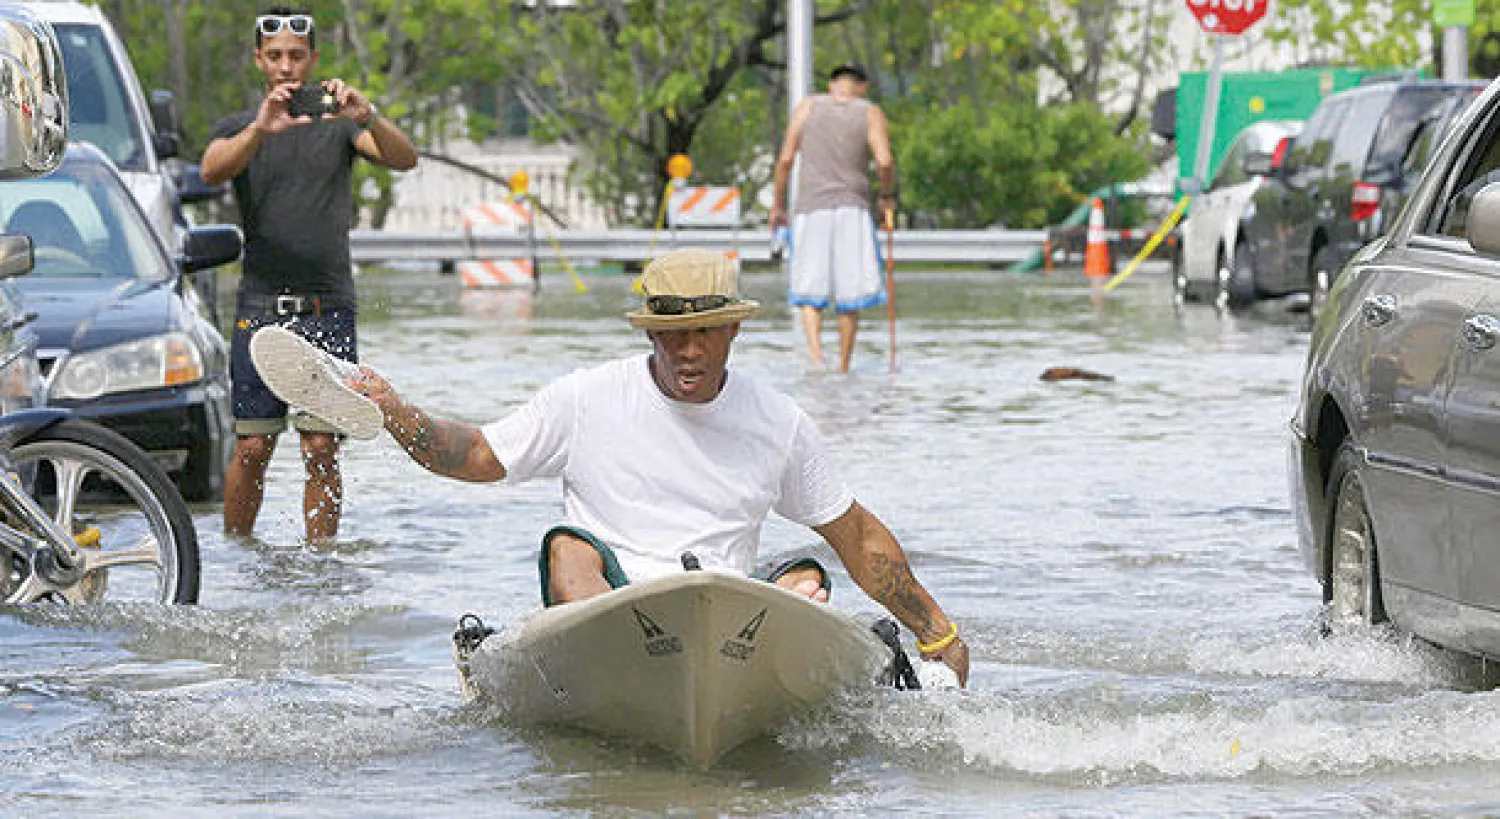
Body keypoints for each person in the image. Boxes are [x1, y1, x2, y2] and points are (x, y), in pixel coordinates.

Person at [269, 249, 968, 684]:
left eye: (702, 333)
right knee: (568, 545)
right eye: (670, 335)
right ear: (650, 334)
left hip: (725, 614)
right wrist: (394, 407)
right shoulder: (587, 397)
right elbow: (476, 456)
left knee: (809, 573)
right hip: (611, 605)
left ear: (732, 330)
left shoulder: (778, 420)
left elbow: (858, 537)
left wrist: (938, 632)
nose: (686, 351)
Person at [201, 6, 418, 543]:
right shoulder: (240, 129)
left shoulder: (339, 127)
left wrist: (366, 114)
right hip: (259, 309)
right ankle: (239, 555)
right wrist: (261, 127)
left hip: (328, 307)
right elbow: (211, 170)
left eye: (296, 56)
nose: (286, 67)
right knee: (253, 446)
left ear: (314, 60)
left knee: (321, 446)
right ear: (259, 61)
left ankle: (321, 561)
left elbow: (404, 158)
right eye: (274, 56)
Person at [769, 62, 896, 374]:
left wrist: (777, 205)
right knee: (849, 294)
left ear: (832, 84)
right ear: (862, 87)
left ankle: (816, 360)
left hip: (811, 208)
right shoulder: (869, 111)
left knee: (809, 289)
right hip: (852, 207)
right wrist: (886, 196)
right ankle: (843, 365)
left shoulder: (807, 107)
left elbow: (785, 160)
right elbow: (884, 160)